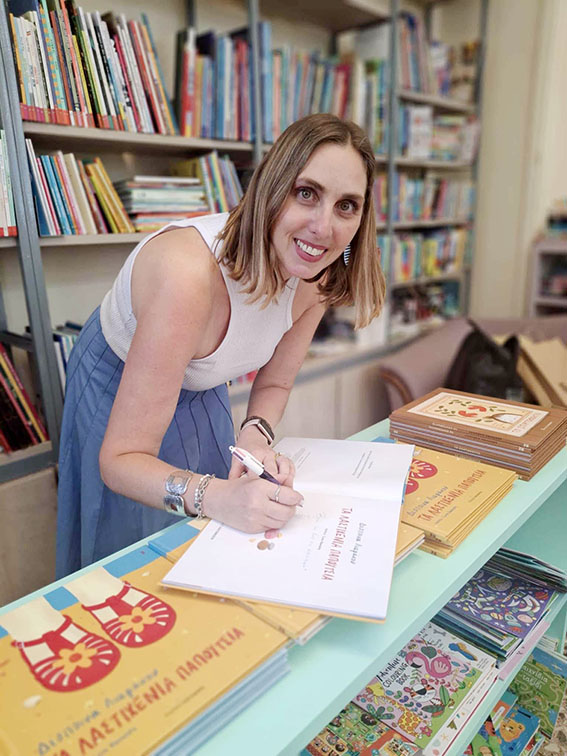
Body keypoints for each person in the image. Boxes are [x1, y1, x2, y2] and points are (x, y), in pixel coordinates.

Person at [55, 113, 386, 578]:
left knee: (209, 531)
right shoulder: (187, 276)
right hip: (119, 375)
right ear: (272, 187)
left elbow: (275, 384)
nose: (323, 227)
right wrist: (218, 497)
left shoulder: (319, 275)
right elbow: (120, 462)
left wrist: (255, 437)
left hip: (201, 380)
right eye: (306, 193)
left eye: (346, 206)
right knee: (131, 544)